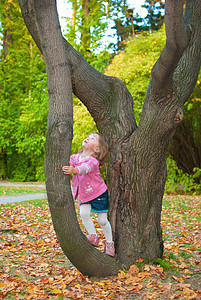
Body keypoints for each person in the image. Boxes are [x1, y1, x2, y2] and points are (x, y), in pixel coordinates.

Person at [62, 132, 115, 256]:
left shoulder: (93, 161)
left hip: (99, 193)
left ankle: (110, 243)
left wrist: (75, 170)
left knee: (102, 220)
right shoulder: (76, 157)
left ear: (96, 149)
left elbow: (85, 168)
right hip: (85, 194)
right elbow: (71, 163)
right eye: (88, 136)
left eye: (92, 138)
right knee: (84, 214)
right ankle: (93, 236)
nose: (87, 138)